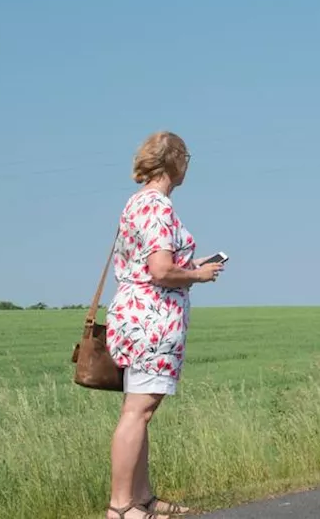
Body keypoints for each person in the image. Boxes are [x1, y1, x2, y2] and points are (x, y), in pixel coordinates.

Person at [104, 131, 224, 519]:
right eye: (186, 158)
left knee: (140, 409)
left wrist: (188, 268)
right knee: (137, 411)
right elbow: (160, 270)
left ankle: (142, 498)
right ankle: (121, 506)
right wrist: (199, 275)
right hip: (150, 321)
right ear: (175, 161)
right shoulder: (158, 206)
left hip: (136, 316)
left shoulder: (136, 203)